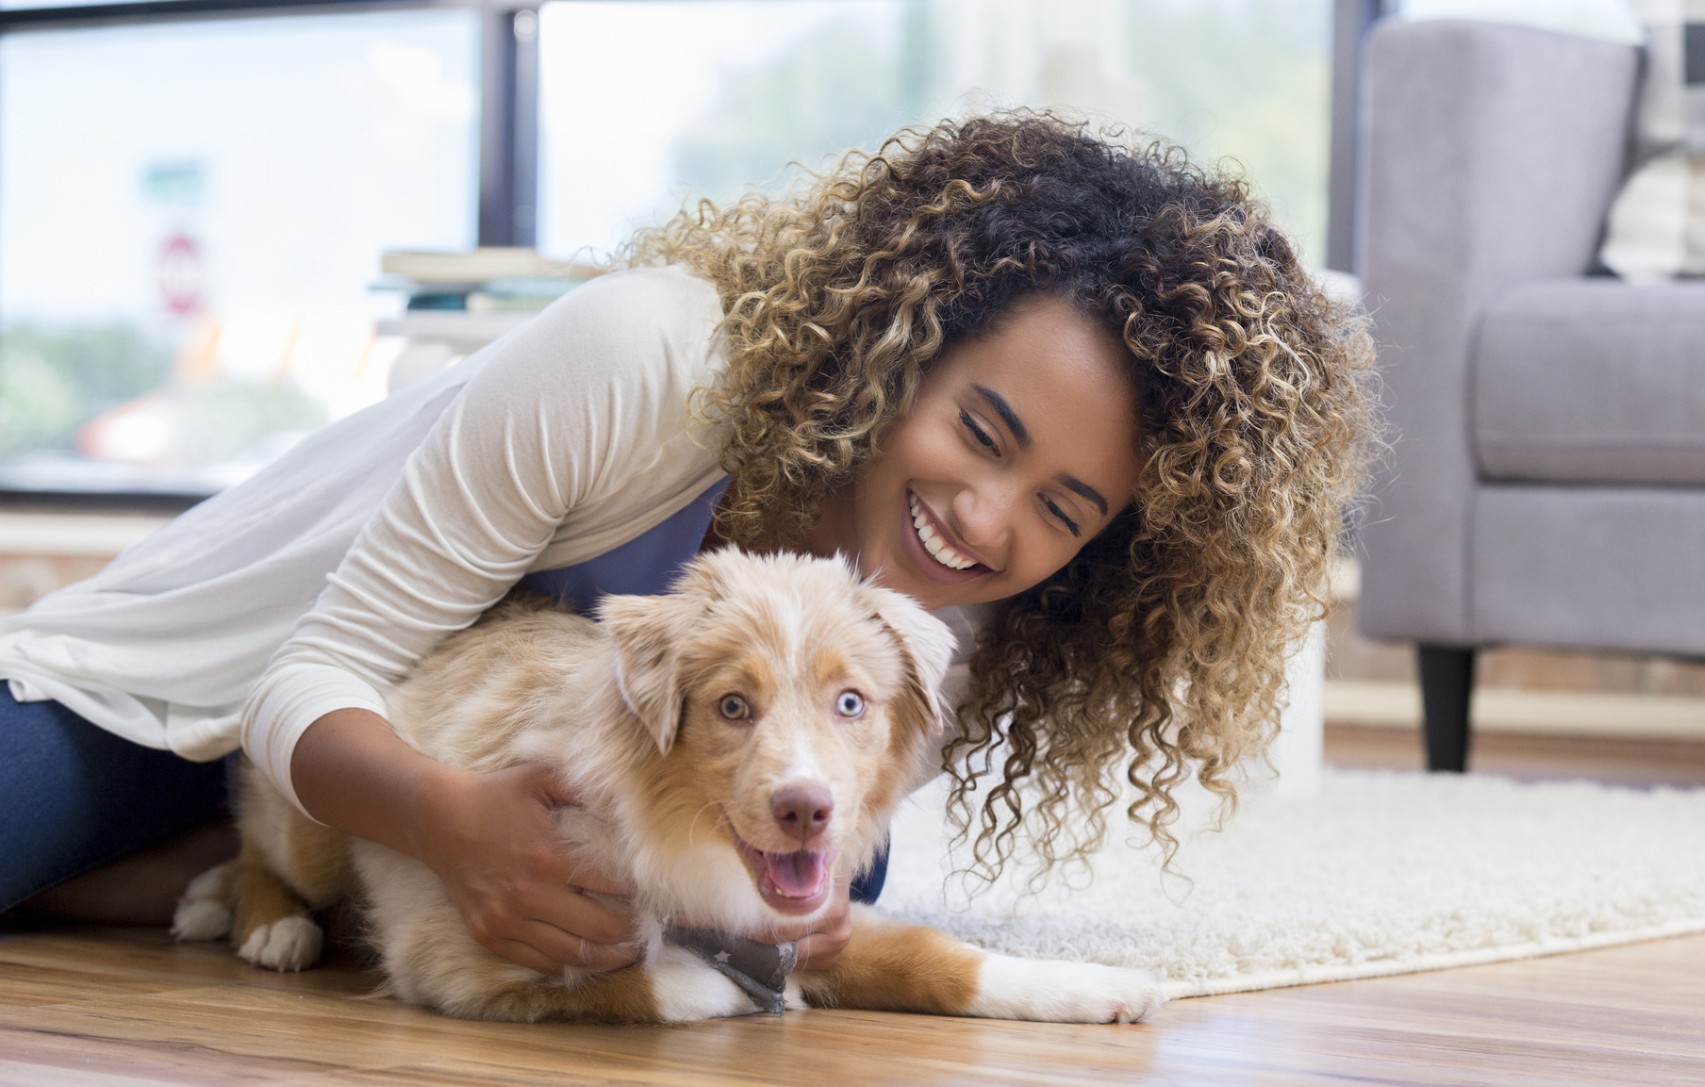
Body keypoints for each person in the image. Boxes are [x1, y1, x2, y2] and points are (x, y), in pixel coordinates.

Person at [0, 112, 1376, 977]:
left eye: (1065, 511)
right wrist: (449, 826)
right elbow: (315, 669)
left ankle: (216, 873)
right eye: (986, 428)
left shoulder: (948, 606)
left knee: (839, 862)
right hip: (176, 686)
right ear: (912, 341)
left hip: (365, 771)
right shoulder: (644, 360)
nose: (988, 519)